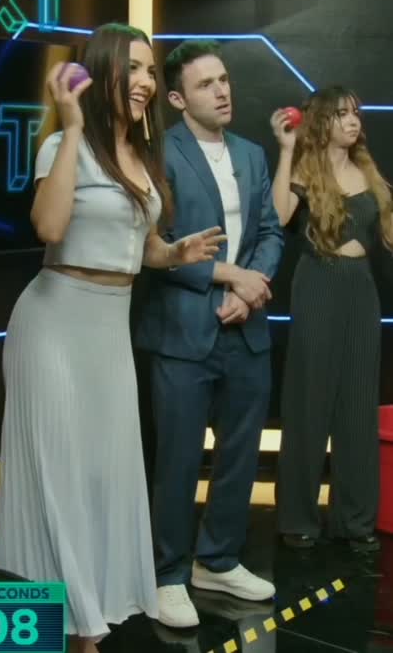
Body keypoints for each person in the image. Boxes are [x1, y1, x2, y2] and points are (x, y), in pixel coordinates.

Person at [0, 24, 226, 653]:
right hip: (54, 324)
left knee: (101, 476)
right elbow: (50, 227)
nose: (145, 81)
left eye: (151, 70)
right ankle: (78, 629)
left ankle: (79, 612)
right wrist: (70, 127)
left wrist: (174, 252)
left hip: (109, 331)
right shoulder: (63, 145)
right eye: (134, 68)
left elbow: (136, 247)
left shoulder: (142, 156)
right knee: (58, 477)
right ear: (101, 75)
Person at [134, 40, 283, 629]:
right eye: (205, 84)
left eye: (224, 80)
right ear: (176, 99)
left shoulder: (251, 153)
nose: (222, 91)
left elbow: (270, 232)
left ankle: (217, 560)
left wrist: (250, 288)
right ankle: (168, 574)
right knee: (176, 458)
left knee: (241, 453)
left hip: (247, 328)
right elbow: (151, 246)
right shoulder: (157, 154)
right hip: (181, 331)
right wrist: (225, 277)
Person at [271, 85, 393, 552]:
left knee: (358, 404)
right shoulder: (306, 168)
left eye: (356, 112)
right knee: (309, 399)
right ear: (323, 121)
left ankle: (355, 520)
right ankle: (298, 518)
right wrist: (286, 152)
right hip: (319, 281)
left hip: (361, 288)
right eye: (342, 113)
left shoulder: (368, 172)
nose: (353, 120)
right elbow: (280, 216)